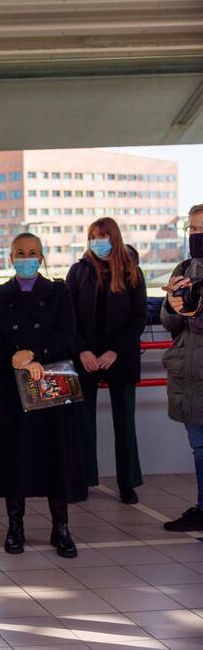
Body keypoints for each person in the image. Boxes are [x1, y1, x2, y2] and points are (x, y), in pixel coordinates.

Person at [0, 232, 85, 558]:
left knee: (57, 453)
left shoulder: (58, 291)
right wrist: (14, 356)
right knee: (14, 455)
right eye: (20, 253)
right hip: (12, 381)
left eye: (32, 253)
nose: (26, 258)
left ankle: (61, 528)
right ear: (11, 258)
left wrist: (35, 355)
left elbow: (67, 333)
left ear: (41, 258)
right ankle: (15, 527)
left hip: (50, 378)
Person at [65, 217, 147, 505]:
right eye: (92, 237)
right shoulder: (78, 271)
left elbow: (138, 318)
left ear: (114, 238)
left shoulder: (132, 271)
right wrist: (82, 351)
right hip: (84, 358)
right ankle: (83, 480)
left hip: (120, 357)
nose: (97, 242)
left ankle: (128, 482)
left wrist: (115, 351)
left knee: (125, 424)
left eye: (102, 237)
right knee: (82, 423)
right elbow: (68, 316)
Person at [161, 204, 203, 532]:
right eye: (193, 229)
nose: (197, 235)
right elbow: (171, 324)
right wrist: (174, 306)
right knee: (199, 447)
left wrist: (195, 313)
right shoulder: (184, 268)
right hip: (189, 376)